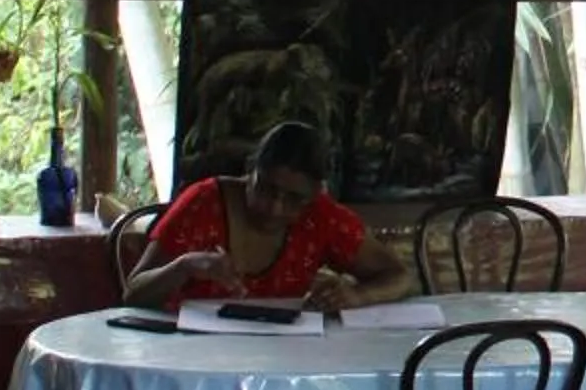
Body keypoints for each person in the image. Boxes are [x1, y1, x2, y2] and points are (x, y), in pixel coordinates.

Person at [128, 121, 405, 313]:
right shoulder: (203, 202)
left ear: (315, 194)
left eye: (294, 199)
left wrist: (357, 295)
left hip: (281, 361)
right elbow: (133, 295)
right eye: (266, 190)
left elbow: (400, 276)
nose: (275, 208)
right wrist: (183, 266)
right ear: (251, 171)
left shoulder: (322, 217)